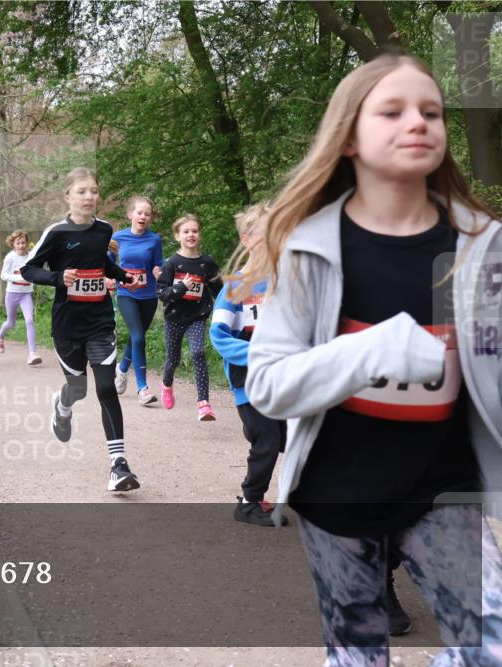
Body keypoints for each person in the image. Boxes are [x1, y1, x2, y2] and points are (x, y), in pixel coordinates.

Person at [240, 54, 502, 663]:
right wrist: (371, 349)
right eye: (393, 111)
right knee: (358, 657)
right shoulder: (305, 247)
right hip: (339, 497)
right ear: (349, 137)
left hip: (444, 491)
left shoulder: (481, 244)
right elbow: (269, 385)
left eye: (431, 111)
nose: (417, 122)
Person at [20, 167, 141, 493]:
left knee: (105, 388)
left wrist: (123, 275)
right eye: (82, 191)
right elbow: (27, 268)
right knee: (78, 388)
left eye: (94, 191)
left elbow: (102, 263)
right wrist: (58, 278)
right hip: (67, 325)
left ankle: (119, 465)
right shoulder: (56, 233)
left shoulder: (104, 230)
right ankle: (62, 406)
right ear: (68, 196)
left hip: (100, 321)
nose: (90, 197)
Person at [209, 202, 288, 528]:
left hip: (285, 380)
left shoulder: (287, 283)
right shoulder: (234, 287)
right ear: (246, 239)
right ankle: (249, 501)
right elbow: (219, 336)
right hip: (250, 382)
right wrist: (258, 354)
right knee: (268, 441)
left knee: (293, 438)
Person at [155, 214, 222, 421]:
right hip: (175, 317)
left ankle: (204, 404)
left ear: (199, 235)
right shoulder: (172, 263)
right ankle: (166, 384)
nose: (191, 235)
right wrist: (181, 287)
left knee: (198, 352)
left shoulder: (207, 263)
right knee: (173, 359)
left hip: (197, 316)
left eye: (194, 231)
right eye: (186, 231)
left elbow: (219, 290)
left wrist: (226, 310)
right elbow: (162, 294)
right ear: (177, 236)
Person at [112, 197, 164, 404]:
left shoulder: (154, 239)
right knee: (138, 337)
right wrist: (109, 278)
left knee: (138, 336)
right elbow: (107, 262)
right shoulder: (117, 238)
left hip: (149, 294)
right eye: (139, 212)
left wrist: (158, 271)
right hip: (126, 294)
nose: (143, 216)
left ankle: (122, 368)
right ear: (130, 214)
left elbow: (158, 264)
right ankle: (143, 388)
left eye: (147, 214)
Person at [0, 229, 42, 365]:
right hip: (12, 293)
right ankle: (0, 335)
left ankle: (32, 354)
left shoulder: (30, 257)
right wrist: (20, 277)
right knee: (11, 322)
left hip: (26, 294)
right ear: (13, 244)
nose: (21, 245)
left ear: (27, 243)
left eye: (23, 243)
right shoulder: (10, 257)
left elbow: (35, 271)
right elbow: (3, 275)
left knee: (29, 320)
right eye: (18, 243)